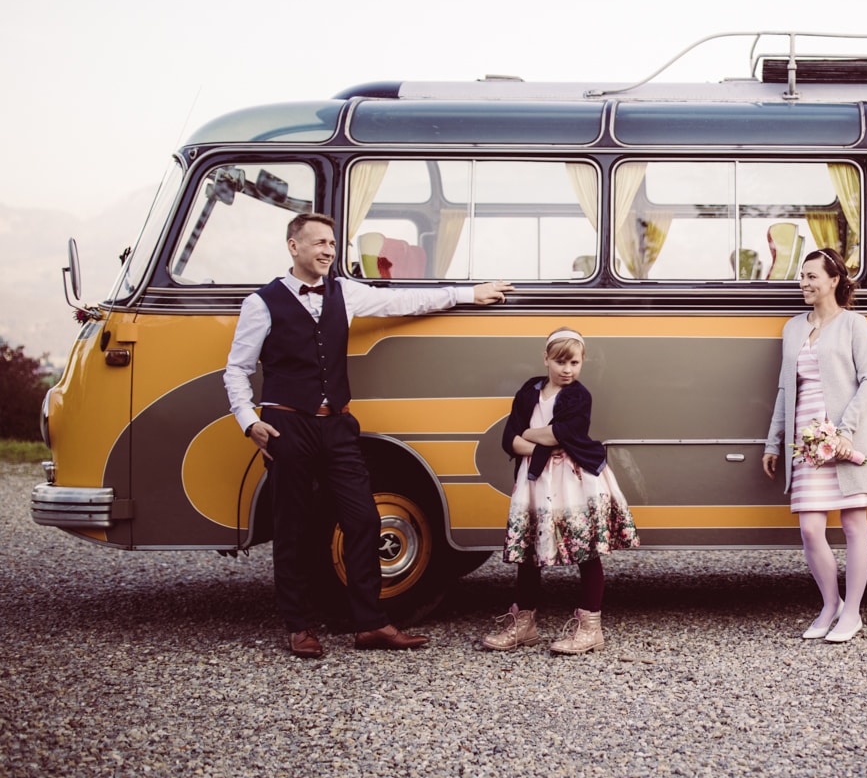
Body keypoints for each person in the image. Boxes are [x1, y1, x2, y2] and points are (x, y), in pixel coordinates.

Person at [224, 212, 512, 659]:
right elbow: (237, 370)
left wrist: (468, 295)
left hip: (337, 424)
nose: (327, 250)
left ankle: (370, 623)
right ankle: (299, 627)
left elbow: (404, 303)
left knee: (363, 519)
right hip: (287, 425)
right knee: (293, 528)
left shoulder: (346, 292)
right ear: (293, 247)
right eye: (318, 242)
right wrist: (248, 421)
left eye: (333, 244)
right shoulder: (261, 303)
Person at [479, 327, 638, 656]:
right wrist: (536, 440)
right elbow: (510, 438)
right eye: (561, 362)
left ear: (583, 363)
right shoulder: (529, 391)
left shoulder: (579, 396)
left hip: (575, 479)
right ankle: (524, 625)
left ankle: (590, 627)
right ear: (546, 359)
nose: (568, 369)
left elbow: (561, 435)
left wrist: (530, 433)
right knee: (528, 551)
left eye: (575, 363)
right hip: (536, 480)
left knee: (586, 550)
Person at [762, 248, 867, 644]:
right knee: (811, 529)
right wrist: (774, 440)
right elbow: (785, 387)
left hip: (845, 437)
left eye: (812, 276)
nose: (804, 283)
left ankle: (852, 613)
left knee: (853, 523)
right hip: (806, 442)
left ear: (834, 280)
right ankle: (830, 604)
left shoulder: (854, 324)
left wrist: (844, 430)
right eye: (801, 276)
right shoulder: (793, 327)